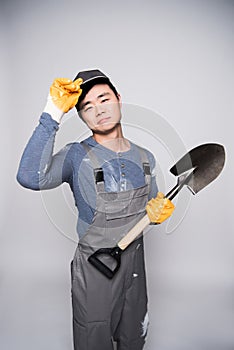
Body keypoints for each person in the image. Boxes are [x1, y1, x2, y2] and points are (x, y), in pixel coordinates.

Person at [16, 69, 174, 350]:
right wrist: (53, 113)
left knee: (134, 336)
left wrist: (158, 213)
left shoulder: (145, 157)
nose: (98, 110)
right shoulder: (75, 156)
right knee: (94, 338)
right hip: (96, 268)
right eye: (88, 107)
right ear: (80, 117)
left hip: (135, 268)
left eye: (104, 99)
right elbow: (30, 176)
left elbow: (149, 209)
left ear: (119, 99)